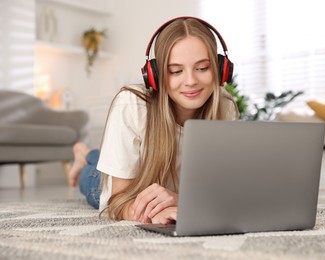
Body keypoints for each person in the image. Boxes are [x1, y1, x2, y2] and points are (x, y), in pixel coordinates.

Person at [69, 17, 239, 225]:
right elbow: (116, 201)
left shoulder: (225, 106)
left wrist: (181, 202)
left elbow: (222, 192)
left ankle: (88, 154)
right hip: (132, 189)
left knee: (100, 161)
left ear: (220, 69)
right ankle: (83, 157)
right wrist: (151, 214)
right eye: (176, 71)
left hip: (168, 194)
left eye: (202, 68)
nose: (191, 81)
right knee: (94, 179)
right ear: (155, 76)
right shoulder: (131, 104)